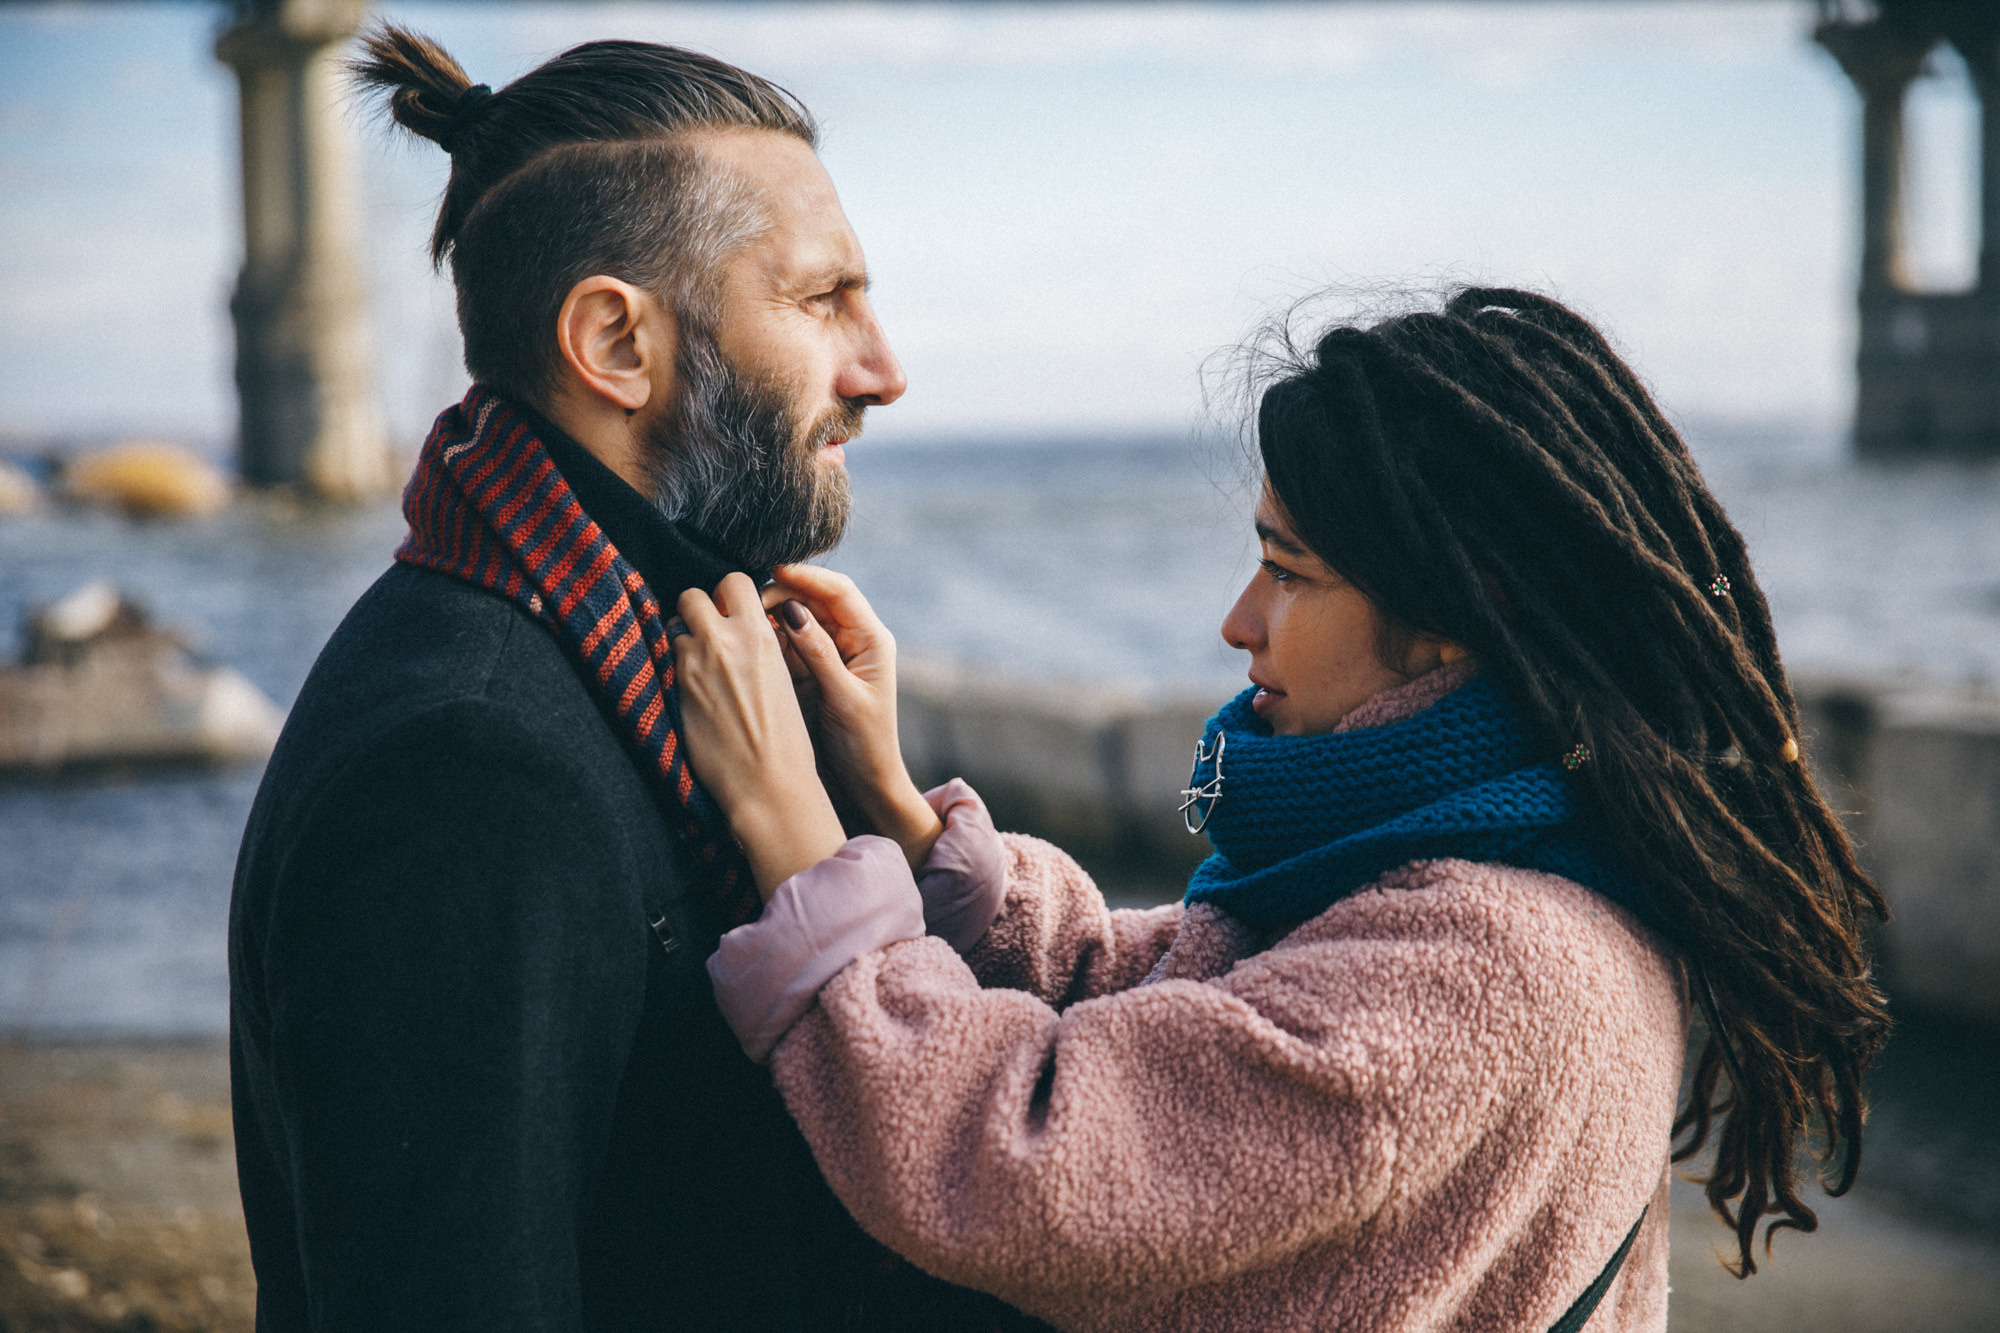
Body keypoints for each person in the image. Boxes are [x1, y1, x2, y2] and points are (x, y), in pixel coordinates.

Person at [670, 288, 1891, 1332]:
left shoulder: (1494, 966)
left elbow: (1024, 1165)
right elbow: (1182, 1011)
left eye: (1289, 569)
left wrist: (797, 845)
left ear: (1466, 615)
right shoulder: (1491, 860)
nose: (1239, 620)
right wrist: (895, 806)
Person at [227, 24, 1042, 1331]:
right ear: (616, 343)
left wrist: (881, 814)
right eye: (823, 299)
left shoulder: (688, 670)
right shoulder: (468, 768)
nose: (882, 369)